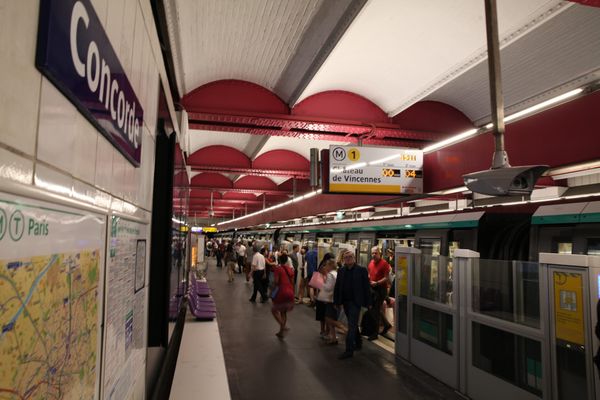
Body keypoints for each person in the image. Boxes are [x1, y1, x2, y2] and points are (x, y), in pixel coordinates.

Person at [333, 250, 372, 359]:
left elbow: (366, 287)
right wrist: (336, 302)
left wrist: (369, 302)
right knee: (353, 323)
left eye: (350, 257)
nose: (348, 259)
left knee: (351, 325)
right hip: (345, 302)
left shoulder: (361, 270)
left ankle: (349, 350)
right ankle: (358, 342)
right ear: (343, 259)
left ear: (354, 258)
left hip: (356, 302)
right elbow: (337, 287)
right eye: (346, 257)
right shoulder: (341, 271)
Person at [367, 246, 392, 340]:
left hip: (381, 290)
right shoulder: (371, 263)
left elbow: (386, 278)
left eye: (375, 253)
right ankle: (386, 324)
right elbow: (370, 273)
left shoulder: (384, 264)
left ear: (379, 253)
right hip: (373, 289)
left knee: (375, 311)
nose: (374, 255)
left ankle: (375, 333)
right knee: (375, 310)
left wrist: (377, 283)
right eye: (372, 253)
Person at [271, 254, 295, 338]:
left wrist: (272, 290)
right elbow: (292, 282)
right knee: (283, 312)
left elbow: (276, 282)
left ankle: (283, 326)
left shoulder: (278, 269)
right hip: (290, 291)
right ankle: (281, 332)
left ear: (279, 260)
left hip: (282, 291)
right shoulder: (290, 269)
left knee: (274, 310)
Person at [318, 259, 339, 344]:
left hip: (330, 299)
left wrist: (321, 283)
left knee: (328, 318)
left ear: (330, 266)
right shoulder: (336, 274)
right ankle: (333, 337)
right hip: (333, 298)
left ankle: (344, 329)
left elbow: (328, 287)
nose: (325, 267)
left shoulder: (330, 275)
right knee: (330, 318)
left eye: (326, 265)